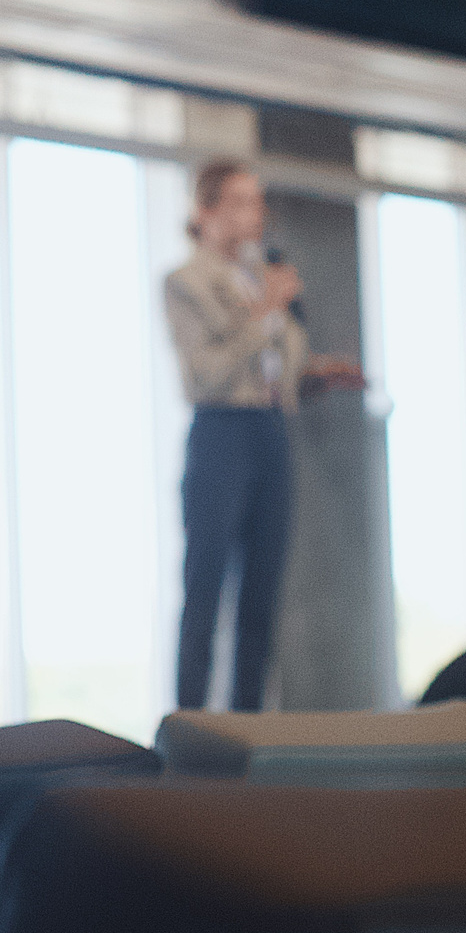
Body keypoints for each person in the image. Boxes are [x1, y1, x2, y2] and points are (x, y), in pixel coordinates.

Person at [164, 160, 361, 711]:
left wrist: (321, 374)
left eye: (259, 202)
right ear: (207, 211)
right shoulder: (187, 283)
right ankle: (190, 730)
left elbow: (276, 371)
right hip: (220, 435)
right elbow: (207, 373)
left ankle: (248, 732)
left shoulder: (259, 276)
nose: (257, 215)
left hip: (272, 434)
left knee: (262, 595)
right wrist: (266, 309)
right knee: (204, 593)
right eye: (244, 202)